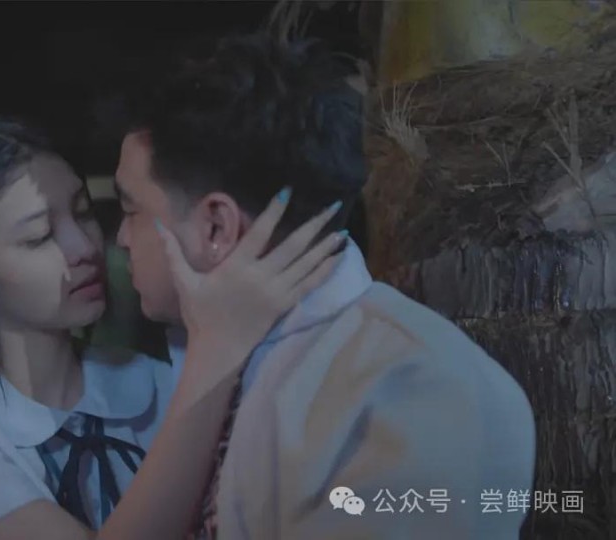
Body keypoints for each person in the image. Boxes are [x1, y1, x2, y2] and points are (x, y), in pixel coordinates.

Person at [113, 34, 537, 539]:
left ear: (216, 227)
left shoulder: (417, 388)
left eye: (131, 210)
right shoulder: (205, 353)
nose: (120, 238)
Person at [0, 118, 346, 539]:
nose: (84, 247)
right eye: (39, 237)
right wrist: (218, 345)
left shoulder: (159, 383)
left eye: (83, 213)